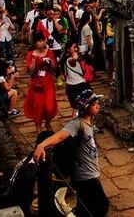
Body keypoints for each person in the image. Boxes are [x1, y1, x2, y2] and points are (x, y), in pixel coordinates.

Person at [33, 89, 109, 217]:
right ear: (85, 107)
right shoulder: (77, 123)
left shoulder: (88, 122)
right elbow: (60, 135)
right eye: (93, 104)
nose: (97, 105)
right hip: (85, 175)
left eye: (97, 103)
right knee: (101, 206)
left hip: (90, 171)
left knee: (88, 206)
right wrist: (42, 145)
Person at [24, 32, 58, 133]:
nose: (42, 43)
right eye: (39, 41)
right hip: (36, 82)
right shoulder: (31, 54)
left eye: (43, 40)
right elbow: (31, 71)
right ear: (35, 43)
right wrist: (34, 59)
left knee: (49, 105)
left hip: (48, 81)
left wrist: (50, 63)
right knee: (38, 106)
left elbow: (54, 68)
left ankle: (47, 122)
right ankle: (38, 126)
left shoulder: (49, 52)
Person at [64, 41, 91, 116]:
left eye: (77, 47)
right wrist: (75, 57)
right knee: (80, 107)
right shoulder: (69, 60)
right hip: (77, 87)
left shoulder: (67, 59)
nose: (76, 49)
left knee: (77, 108)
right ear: (68, 49)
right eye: (74, 47)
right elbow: (73, 60)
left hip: (72, 86)